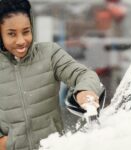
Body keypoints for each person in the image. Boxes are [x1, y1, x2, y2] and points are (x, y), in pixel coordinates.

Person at [0, 0, 105, 150]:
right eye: (11, 34)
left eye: (26, 31)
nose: (21, 41)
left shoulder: (49, 54)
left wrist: (84, 91)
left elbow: (83, 74)